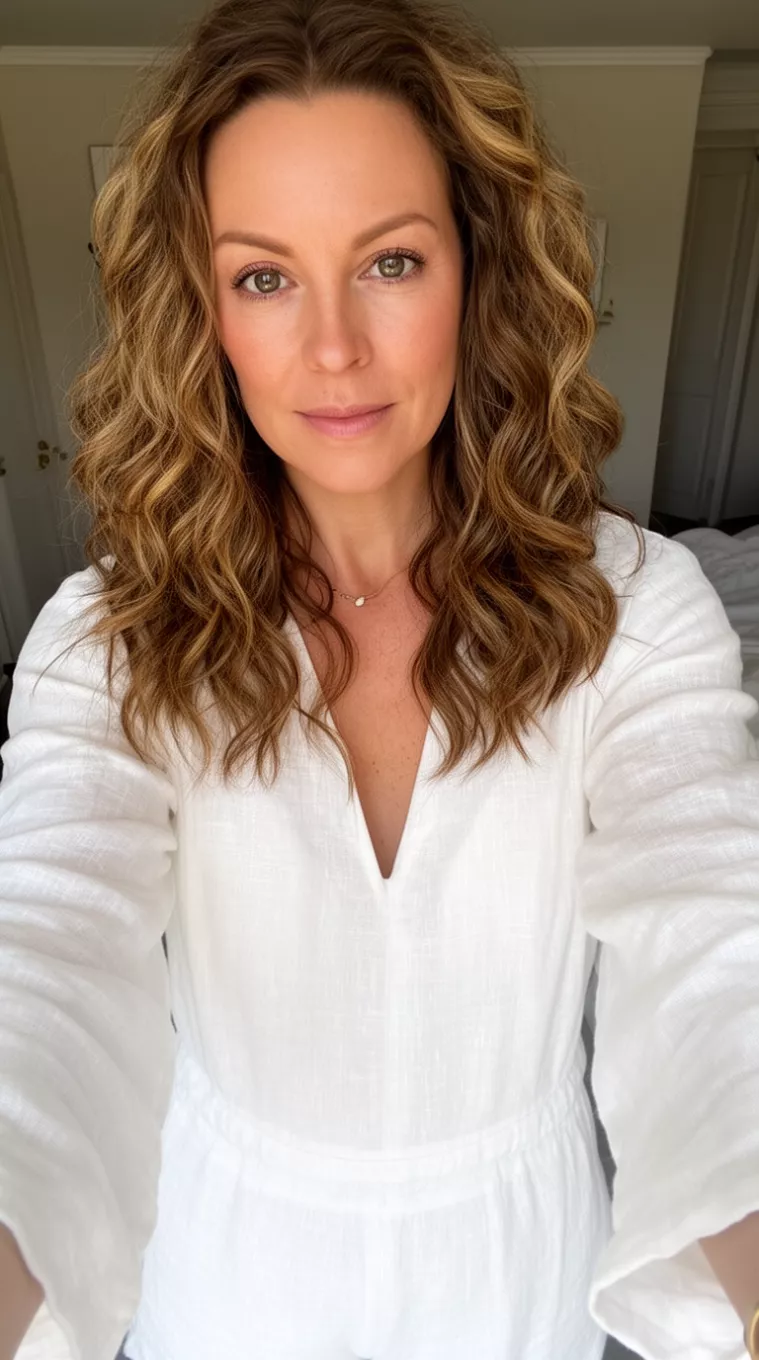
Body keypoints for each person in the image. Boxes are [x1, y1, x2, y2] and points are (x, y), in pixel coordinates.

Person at [1, 0, 759, 1356]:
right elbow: (41, 958)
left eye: (391, 261)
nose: (334, 347)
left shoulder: (635, 612)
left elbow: (719, 949)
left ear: (478, 270)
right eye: (264, 278)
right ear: (202, 312)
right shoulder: (105, 642)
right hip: (228, 1282)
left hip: (518, 1278)